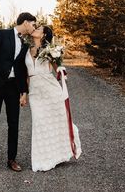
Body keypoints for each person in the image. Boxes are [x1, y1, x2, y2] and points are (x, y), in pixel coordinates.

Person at [0, 12, 36, 172]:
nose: (33, 27)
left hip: (13, 87)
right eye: (33, 24)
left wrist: (23, 91)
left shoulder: (25, 43)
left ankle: (11, 159)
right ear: (26, 22)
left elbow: (21, 70)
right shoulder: (2, 34)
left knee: (14, 123)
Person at [26, 25, 82, 172]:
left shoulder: (50, 50)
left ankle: (58, 154)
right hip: (35, 92)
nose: (35, 29)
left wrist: (61, 70)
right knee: (39, 122)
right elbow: (25, 75)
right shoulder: (25, 49)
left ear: (43, 35)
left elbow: (57, 67)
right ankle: (43, 157)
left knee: (57, 119)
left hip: (50, 88)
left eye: (38, 29)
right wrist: (23, 93)